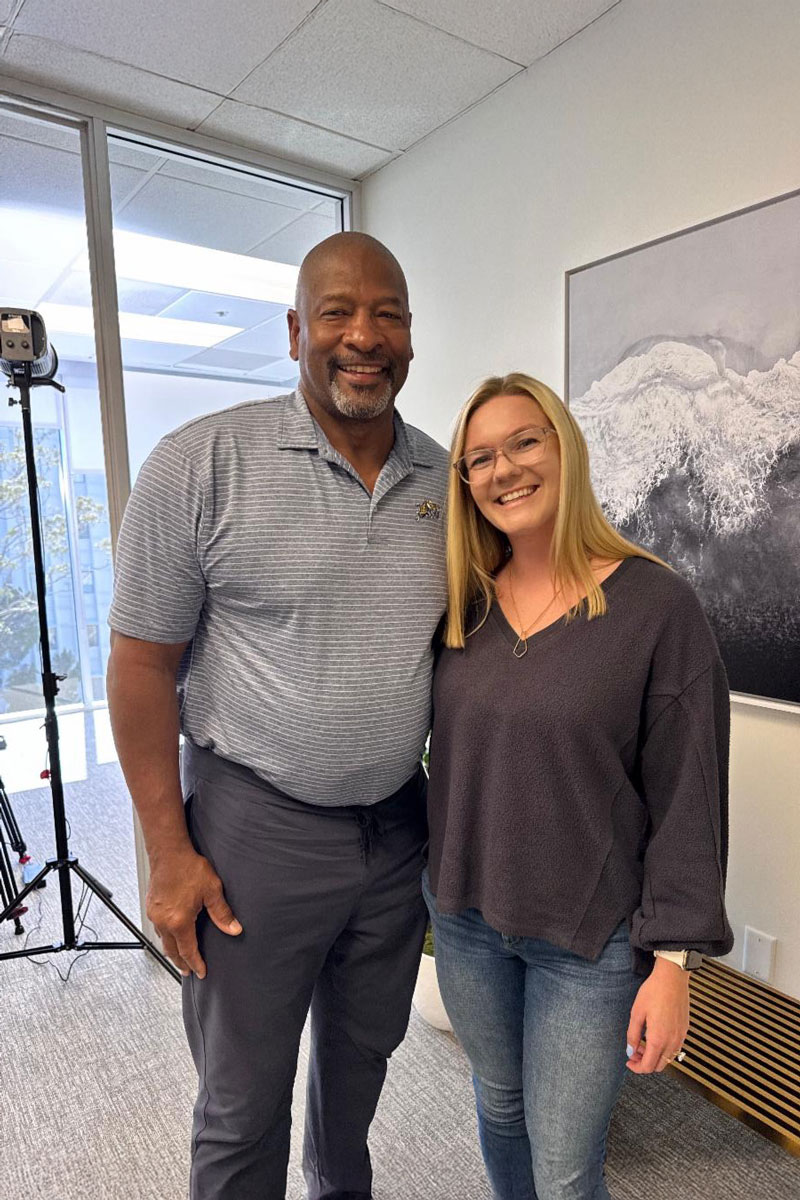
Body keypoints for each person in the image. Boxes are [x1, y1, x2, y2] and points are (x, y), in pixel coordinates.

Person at [106, 232, 449, 1200]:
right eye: (336, 312)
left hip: (396, 832)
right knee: (242, 1103)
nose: (362, 336)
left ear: (410, 336)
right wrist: (167, 853)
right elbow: (140, 667)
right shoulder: (201, 463)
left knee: (359, 1072)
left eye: (386, 314)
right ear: (296, 331)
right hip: (256, 833)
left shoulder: (445, 482)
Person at [424, 372, 733, 1200]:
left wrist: (673, 963)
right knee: (500, 1108)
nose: (503, 469)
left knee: (564, 1168)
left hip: (588, 939)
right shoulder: (460, 605)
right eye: (479, 458)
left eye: (524, 442)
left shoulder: (657, 606)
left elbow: (690, 797)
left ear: (566, 448)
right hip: (467, 923)